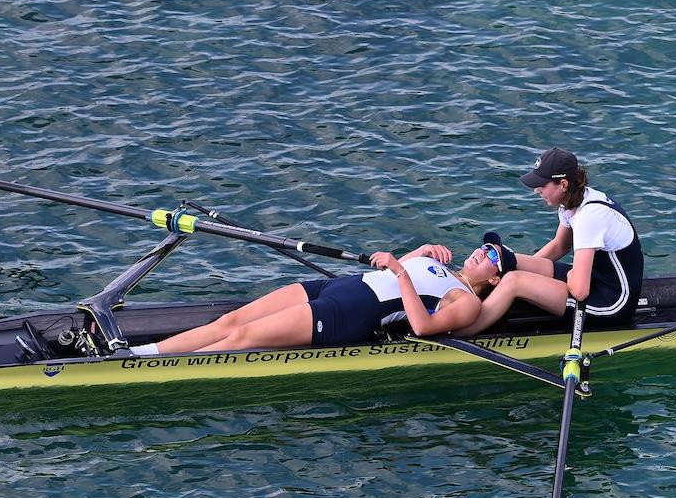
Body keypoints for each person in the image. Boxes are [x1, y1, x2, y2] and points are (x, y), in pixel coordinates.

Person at [130, 238, 517, 355]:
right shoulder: (440, 263)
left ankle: (159, 369)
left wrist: (401, 269)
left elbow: (422, 325)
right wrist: (417, 254)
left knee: (242, 338)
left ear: (496, 278)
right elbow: (391, 271)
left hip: (348, 314)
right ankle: (141, 354)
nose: (482, 252)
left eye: (492, 256)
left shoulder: (467, 301)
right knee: (230, 321)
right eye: (484, 246)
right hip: (338, 286)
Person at [456, 148, 644, 336]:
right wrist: (526, 272)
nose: (536, 190)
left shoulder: (589, 217)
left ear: (563, 184)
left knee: (514, 281)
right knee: (509, 259)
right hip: (594, 279)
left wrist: (528, 280)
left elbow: (580, 291)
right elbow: (560, 245)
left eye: (542, 185)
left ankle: (462, 331)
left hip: (612, 303)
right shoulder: (573, 201)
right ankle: (461, 295)